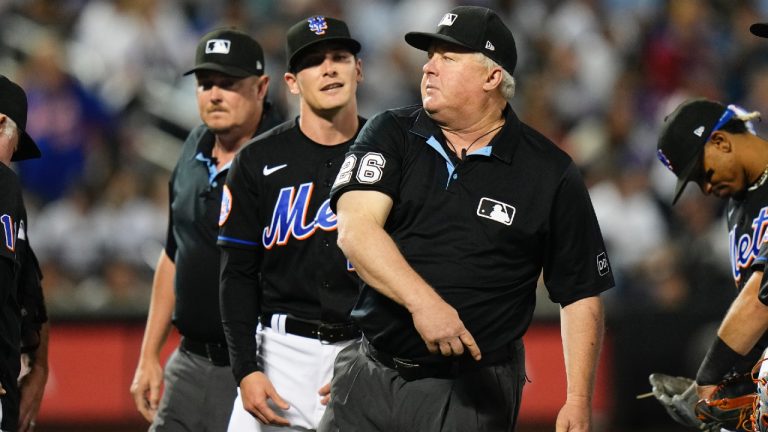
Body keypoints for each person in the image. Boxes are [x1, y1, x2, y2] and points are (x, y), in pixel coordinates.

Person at [321, 6, 614, 432]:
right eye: (430, 56)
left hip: (470, 389)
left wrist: (577, 399)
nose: (429, 68)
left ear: (492, 77)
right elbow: (355, 229)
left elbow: (581, 291)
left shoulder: (548, 172)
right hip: (370, 370)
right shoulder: (392, 132)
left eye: (447, 57)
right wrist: (426, 305)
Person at [217, 15, 365, 432]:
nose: (330, 67)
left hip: (364, 349)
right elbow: (237, 275)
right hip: (279, 353)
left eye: (339, 56)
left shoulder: (393, 154)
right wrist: (245, 370)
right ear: (292, 82)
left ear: (359, 70)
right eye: (314, 61)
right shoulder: (257, 160)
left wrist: (377, 358)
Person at [129, 28, 280, 431]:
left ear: (261, 87)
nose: (214, 94)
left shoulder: (286, 156)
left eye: (228, 84)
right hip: (189, 359)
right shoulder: (193, 146)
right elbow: (174, 252)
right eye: (205, 84)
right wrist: (149, 355)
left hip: (262, 366)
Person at [654, 99, 768, 426]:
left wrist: (708, 380)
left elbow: (762, 297)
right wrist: (720, 402)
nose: (704, 187)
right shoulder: (736, 211)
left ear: (720, 141)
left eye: (701, 172)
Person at [0, 74, 49, 432]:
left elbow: (28, 290)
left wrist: (40, 366)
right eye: (14, 145)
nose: (13, 156)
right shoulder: (4, 183)